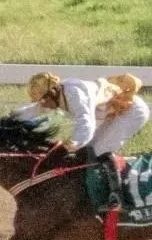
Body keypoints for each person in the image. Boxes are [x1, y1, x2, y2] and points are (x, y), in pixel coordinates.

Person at [17, 72, 149, 208]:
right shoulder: (56, 95)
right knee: (89, 151)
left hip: (132, 113)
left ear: (52, 93)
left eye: (43, 100)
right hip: (115, 112)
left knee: (98, 151)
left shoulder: (76, 94)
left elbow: (87, 125)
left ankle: (116, 196)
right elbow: (33, 110)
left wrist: (74, 144)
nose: (43, 105)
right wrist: (9, 119)